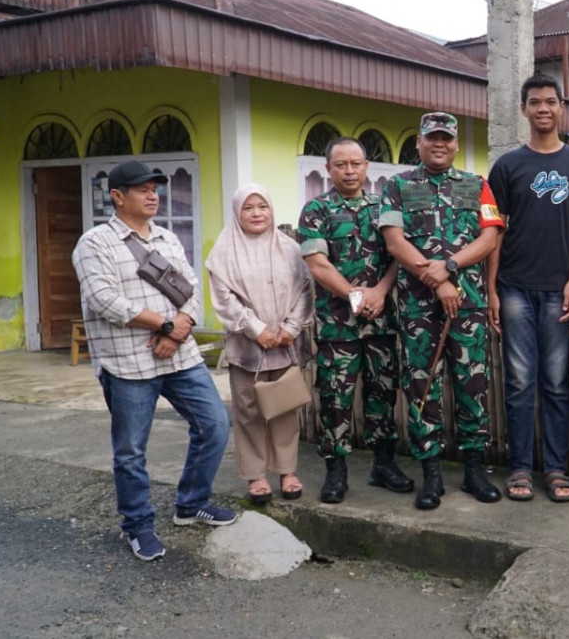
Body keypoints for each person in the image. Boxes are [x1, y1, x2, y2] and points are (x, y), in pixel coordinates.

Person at [72, 160, 236, 562]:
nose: (153, 195)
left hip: (180, 356)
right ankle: (137, 525)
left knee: (215, 424)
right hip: (128, 363)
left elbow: (191, 288)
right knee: (131, 450)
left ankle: (191, 503)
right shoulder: (95, 244)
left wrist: (181, 325)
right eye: (142, 189)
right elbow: (103, 300)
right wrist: (165, 323)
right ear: (117, 196)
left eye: (155, 188)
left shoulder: (166, 238)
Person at [381, 112, 504, 510]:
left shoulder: (478, 185)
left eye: (447, 139)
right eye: (432, 138)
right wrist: (438, 281)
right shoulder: (397, 186)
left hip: (467, 306)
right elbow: (395, 242)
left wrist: (450, 267)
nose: (440, 144)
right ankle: (431, 475)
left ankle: (473, 471)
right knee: (422, 386)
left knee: (473, 385)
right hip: (418, 309)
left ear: (455, 144)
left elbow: (490, 236)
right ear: (418, 142)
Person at [488, 73, 569, 502]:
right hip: (514, 285)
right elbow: (494, 231)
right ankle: (519, 467)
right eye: (534, 102)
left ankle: (556, 468)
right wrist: (493, 289)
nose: (543, 109)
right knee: (519, 381)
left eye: (550, 102)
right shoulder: (507, 166)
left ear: (561, 108)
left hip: (559, 287)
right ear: (523, 109)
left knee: (555, 382)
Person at [298, 137, 411, 504]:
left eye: (356, 163)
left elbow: (398, 255)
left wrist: (380, 291)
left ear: (366, 167)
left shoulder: (384, 208)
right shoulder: (316, 210)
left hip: (381, 320)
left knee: (383, 393)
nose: (349, 170)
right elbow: (317, 264)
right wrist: (353, 294)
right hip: (338, 324)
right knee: (335, 397)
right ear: (329, 169)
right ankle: (336, 471)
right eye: (341, 164)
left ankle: (383, 465)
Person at [207, 183, 313, 504]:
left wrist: (291, 327)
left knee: (283, 407)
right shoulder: (224, 252)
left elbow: (306, 290)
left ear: (271, 211)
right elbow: (223, 299)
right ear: (237, 212)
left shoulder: (290, 249)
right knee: (249, 411)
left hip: (285, 344)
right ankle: (255, 475)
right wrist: (256, 329)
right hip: (247, 349)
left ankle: (287, 471)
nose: (256, 213)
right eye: (248, 208)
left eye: (262, 207)